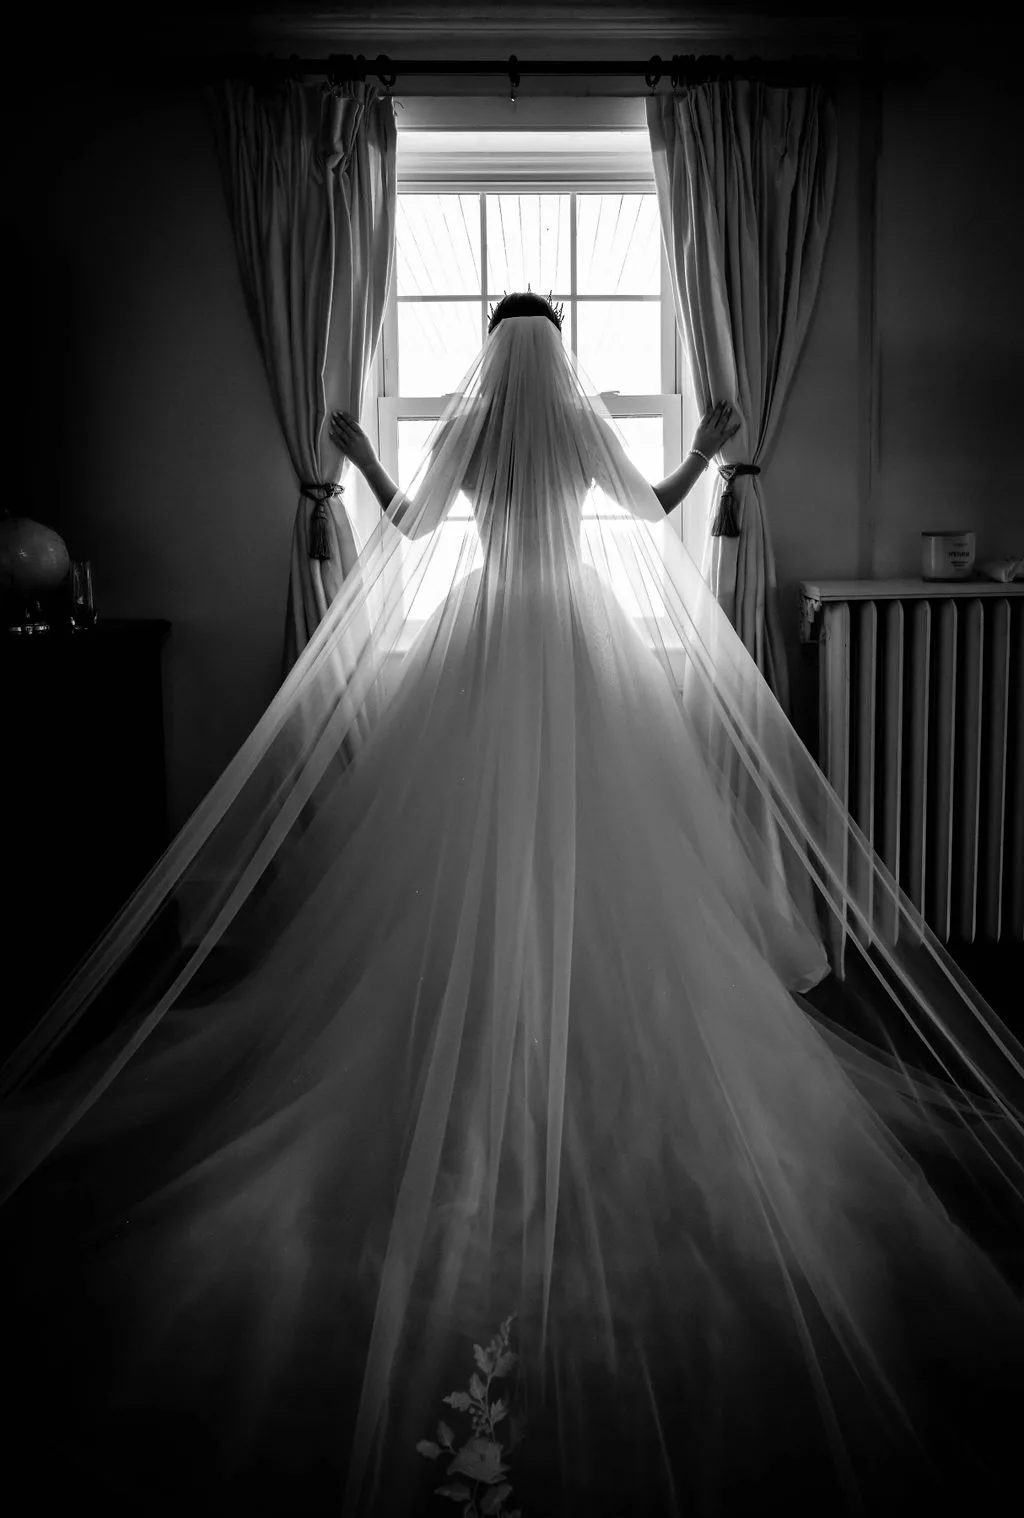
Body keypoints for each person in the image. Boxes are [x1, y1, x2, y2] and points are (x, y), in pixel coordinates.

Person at [1, 291, 1022, 1518]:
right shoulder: (573, 424)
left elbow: (413, 526)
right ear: (556, 354)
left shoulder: (476, 430)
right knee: (595, 836)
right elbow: (648, 508)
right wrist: (706, 446)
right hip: (576, 640)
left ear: (491, 353)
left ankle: (480, 1002)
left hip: (487, 643)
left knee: (466, 839)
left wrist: (361, 451)